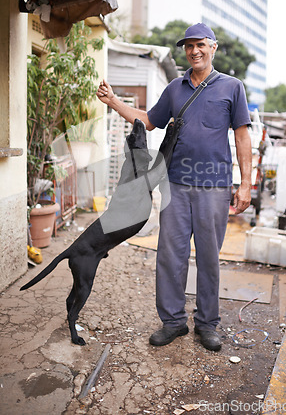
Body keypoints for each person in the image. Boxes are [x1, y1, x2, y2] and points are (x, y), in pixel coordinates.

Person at [97, 23, 252, 351]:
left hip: (215, 187)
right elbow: (147, 120)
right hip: (176, 186)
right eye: (188, 46)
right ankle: (173, 322)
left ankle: (208, 323)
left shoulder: (232, 87)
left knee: (208, 257)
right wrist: (113, 101)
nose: (194, 50)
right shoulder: (174, 89)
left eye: (200, 45)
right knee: (170, 255)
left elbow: (242, 136)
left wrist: (246, 184)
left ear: (213, 47)